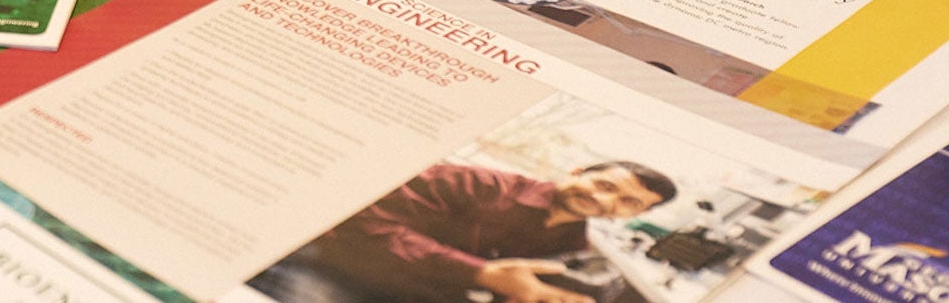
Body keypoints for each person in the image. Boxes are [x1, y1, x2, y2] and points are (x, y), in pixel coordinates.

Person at [270, 161, 676, 303]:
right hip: (335, 271)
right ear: (577, 173)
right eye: (606, 186)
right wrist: (481, 274)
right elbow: (364, 227)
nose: (607, 203)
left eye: (628, 204)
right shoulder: (475, 183)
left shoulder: (574, 247)